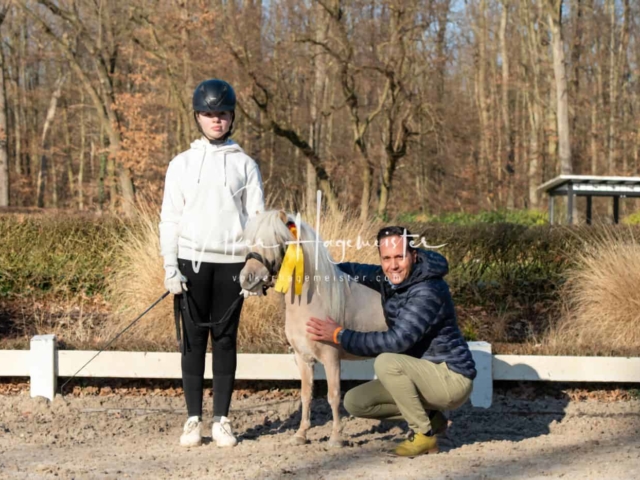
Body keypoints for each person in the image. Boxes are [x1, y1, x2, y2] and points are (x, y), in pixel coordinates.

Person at [306, 226, 476, 457]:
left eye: (399, 257)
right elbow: (357, 270)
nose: (393, 265)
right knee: (356, 402)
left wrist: (339, 335)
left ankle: (424, 436)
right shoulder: (391, 279)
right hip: (422, 375)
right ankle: (433, 420)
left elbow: (397, 341)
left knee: (387, 362)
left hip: (450, 377)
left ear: (413, 256)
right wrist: (324, 267)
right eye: (386, 258)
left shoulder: (427, 290)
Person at [159, 79, 264, 448]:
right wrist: (170, 267)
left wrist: (255, 268)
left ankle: (221, 419)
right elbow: (170, 217)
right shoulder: (182, 164)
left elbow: (257, 219)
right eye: (209, 114)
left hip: (232, 264)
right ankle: (192, 419)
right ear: (198, 117)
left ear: (231, 116)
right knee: (192, 342)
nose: (215, 120)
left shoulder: (246, 165)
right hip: (193, 263)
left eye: (221, 114)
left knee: (225, 340)